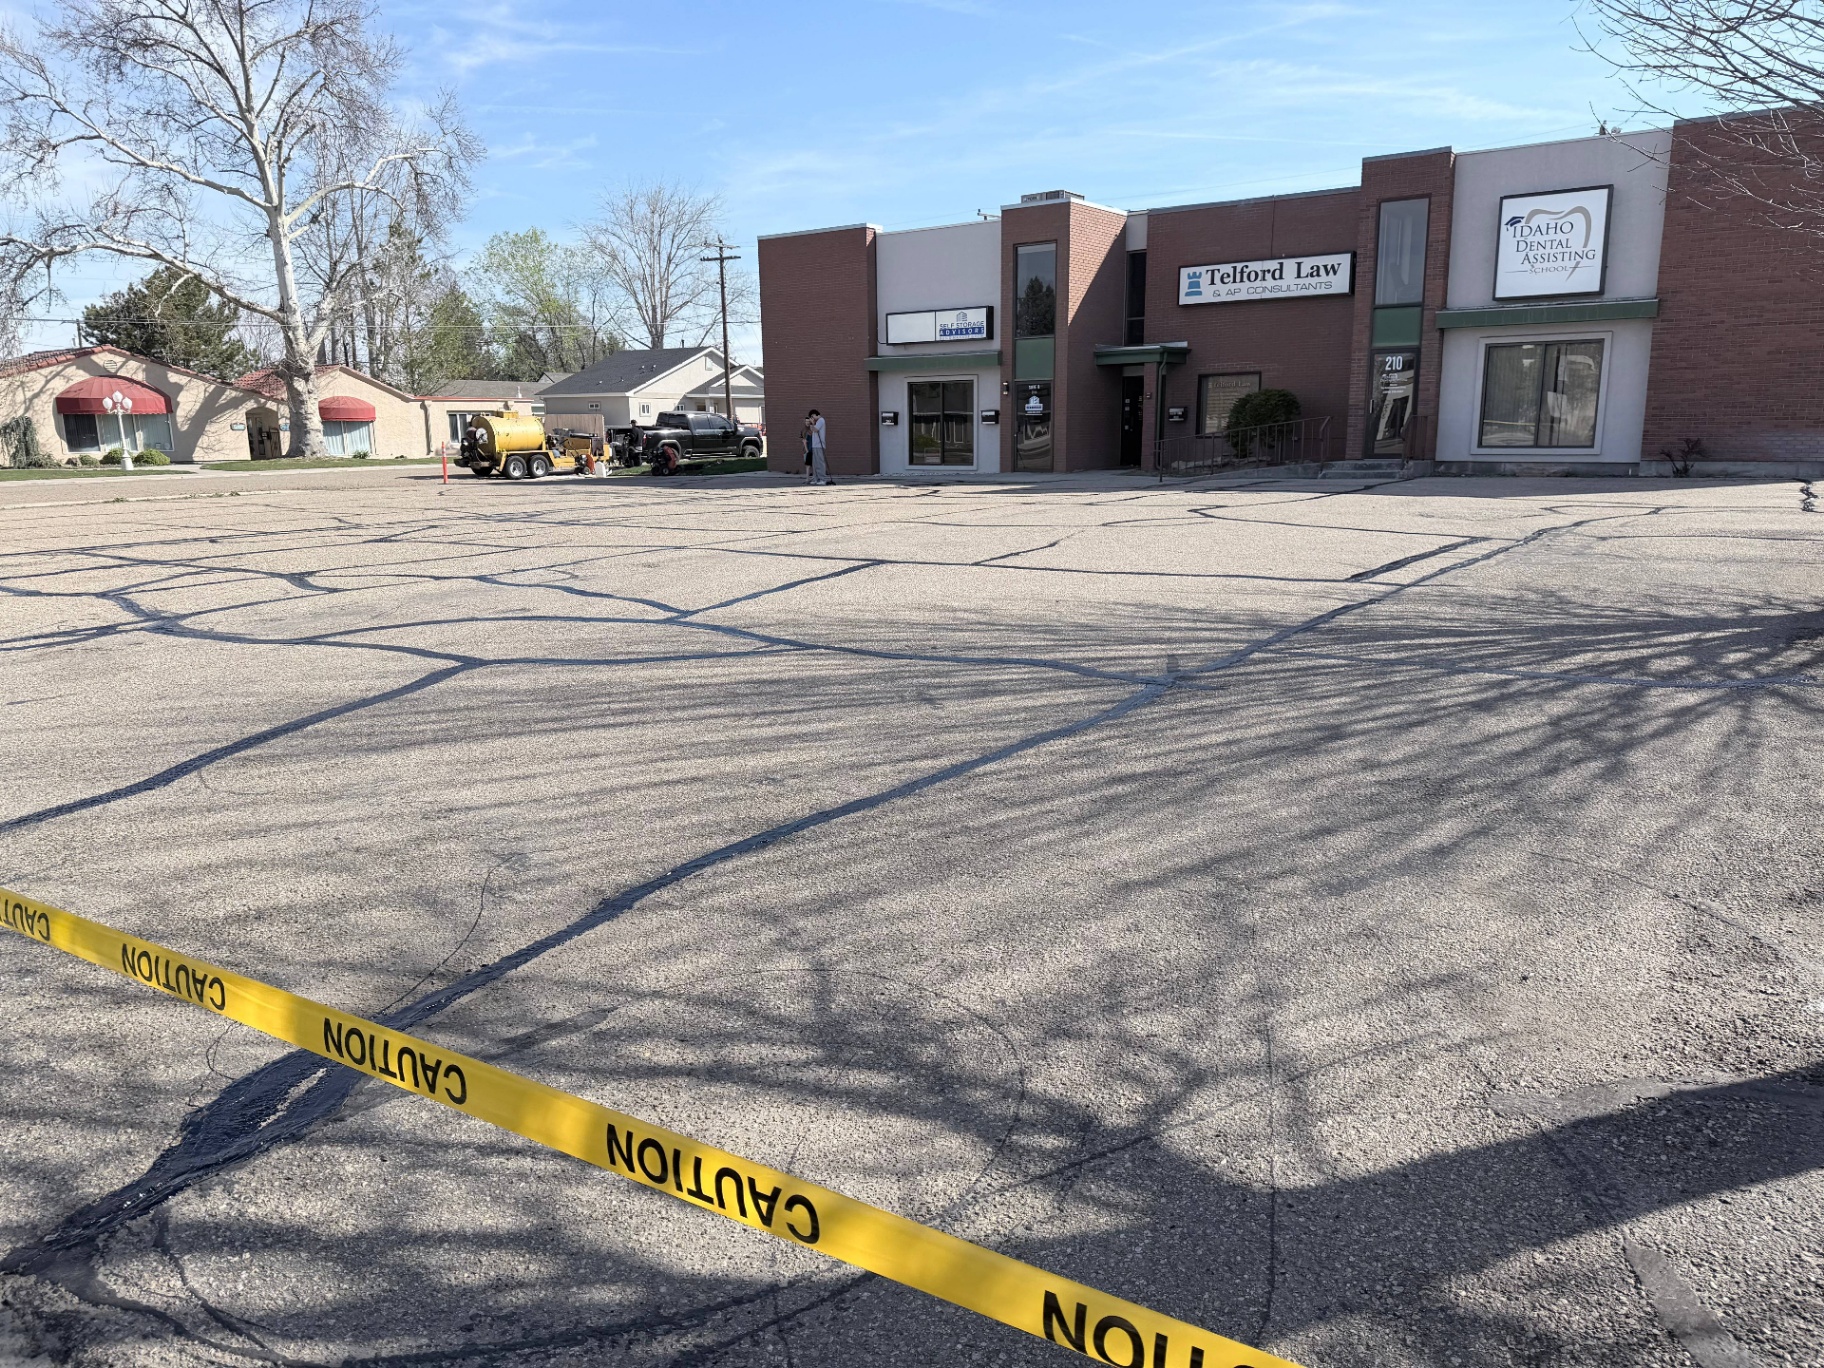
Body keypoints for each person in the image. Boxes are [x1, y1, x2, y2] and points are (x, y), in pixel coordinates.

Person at [804, 409, 829, 485]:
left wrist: (812, 423)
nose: (812, 418)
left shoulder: (821, 420)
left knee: (820, 462)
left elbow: (816, 429)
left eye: (812, 416)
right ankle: (816, 478)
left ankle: (822, 479)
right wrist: (812, 424)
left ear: (816, 414)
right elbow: (812, 431)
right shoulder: (816, 422)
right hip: (814, 445)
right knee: (815, 463)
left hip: (819, 445)